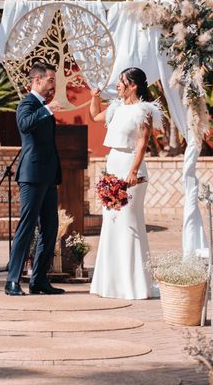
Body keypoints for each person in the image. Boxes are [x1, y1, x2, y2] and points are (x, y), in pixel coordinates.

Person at [88, 67, 162, 299]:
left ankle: (134, 285)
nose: (118, 85)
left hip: (131, 167)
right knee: (111, 222)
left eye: (122, 82)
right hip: (113, 164)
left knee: (130, 222)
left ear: (133, 85)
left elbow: (142, 144)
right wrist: (94, 97)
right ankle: (110, 284)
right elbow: (94, 116)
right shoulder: (116, 108)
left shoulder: (144, 111)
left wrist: (133, 171)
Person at [5, 62, 65, 296]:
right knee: (27, 226)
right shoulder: (27, 104)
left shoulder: (42, 105)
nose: (53, 84)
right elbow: (24, 124)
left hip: (49, 176)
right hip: (31, 175)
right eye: (50, 79)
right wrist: (47, 111)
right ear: (37, 80)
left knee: (50, 227)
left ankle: (38, 280)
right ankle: (12, 280)